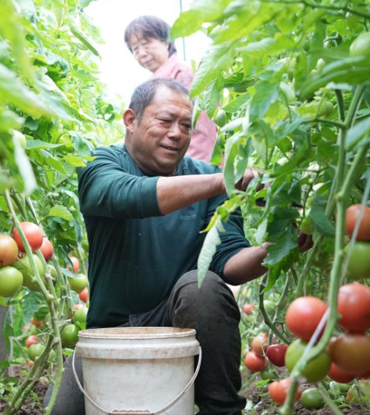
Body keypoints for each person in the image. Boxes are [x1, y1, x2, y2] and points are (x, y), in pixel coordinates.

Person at [43, 78, 269, 415]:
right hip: (110, 336)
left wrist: (276, 249)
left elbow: (229, 263)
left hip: (182, 335)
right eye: (165, 121)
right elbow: (131, 196)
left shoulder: (209, 180)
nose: (176, 133)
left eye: (185, 125)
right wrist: (223, 181)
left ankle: (220, 408)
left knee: (202, 284)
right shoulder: (101, 166)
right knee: (60, 410)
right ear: (130, 120)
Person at [125, 15, 217, 163]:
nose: (141, 53)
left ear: (166, 42)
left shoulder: (182, 75)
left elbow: (201, 130)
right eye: (135, 49)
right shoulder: (156, 83)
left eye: (146, 43)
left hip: (195, 165)